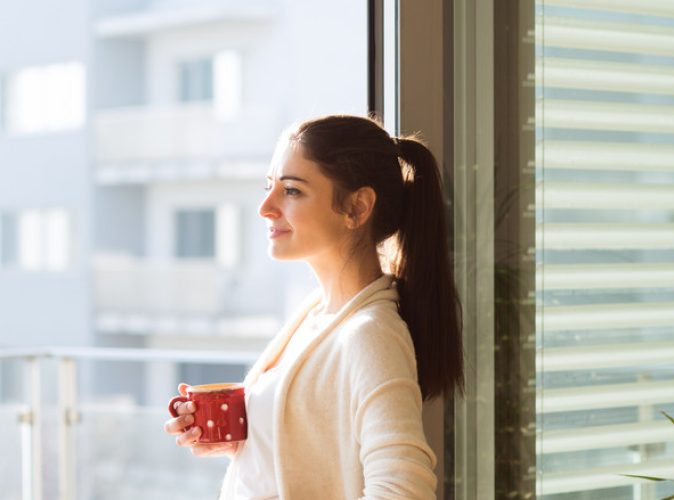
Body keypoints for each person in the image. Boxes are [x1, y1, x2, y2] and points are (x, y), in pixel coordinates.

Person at [163, 114, 464, 499]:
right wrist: (245, 441)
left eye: (291, 191)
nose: (265, 208)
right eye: (269, 186)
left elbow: (403, 491)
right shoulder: (318, 313)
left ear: (357, 207)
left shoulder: (371, 334)